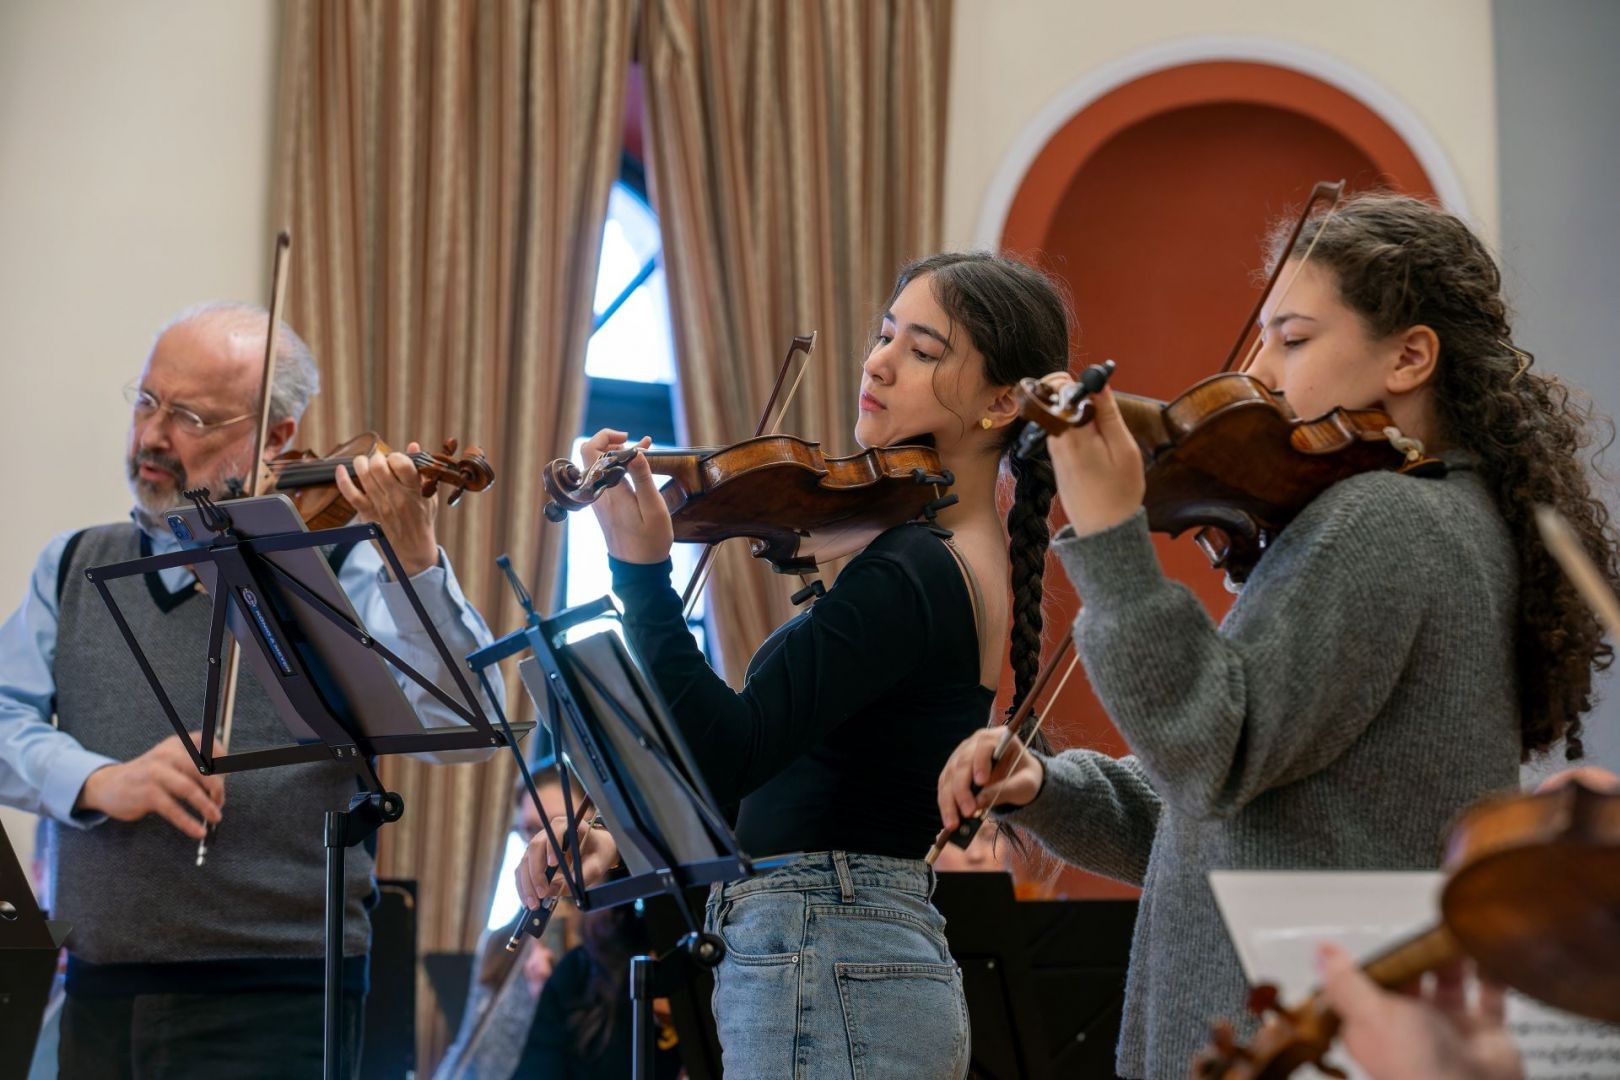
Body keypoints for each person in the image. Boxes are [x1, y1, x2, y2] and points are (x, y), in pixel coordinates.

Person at [936, 193, 1620, 1077]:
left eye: (1293, 339)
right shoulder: (1447, 518)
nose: (1258, 370)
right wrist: (1049, 788)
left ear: (1410, 356)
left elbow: (1209, 752)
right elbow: (1234, 820)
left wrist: (1109, 535)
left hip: (1289, 1033)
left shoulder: (1384, 520)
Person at [516, 252, 1077, 1077]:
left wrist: (642, 575)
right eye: (885, 335)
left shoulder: (915, 571)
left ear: (1001, 403)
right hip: (840, 951)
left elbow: (731, 750)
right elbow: (780, 784)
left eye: (923, 351)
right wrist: (622, 843)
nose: (878, 362)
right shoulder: (932, 554)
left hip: (832, 951)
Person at [0, 302, 500, 1078]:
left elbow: (461, 729)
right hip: (101, 993)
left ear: (276, 436)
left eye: (191, 417)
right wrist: (99, 781)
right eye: (147, 402)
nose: (153, 435)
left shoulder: (341, 563)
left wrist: (416, 565)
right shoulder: (72, 563)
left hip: (280, 999)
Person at [436, 768, 584, 1080]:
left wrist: (547, 995)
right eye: (531, 830)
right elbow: (468, 1046)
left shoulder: (604, 942)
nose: (543, 845)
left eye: (559, 827)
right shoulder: (496, 942)